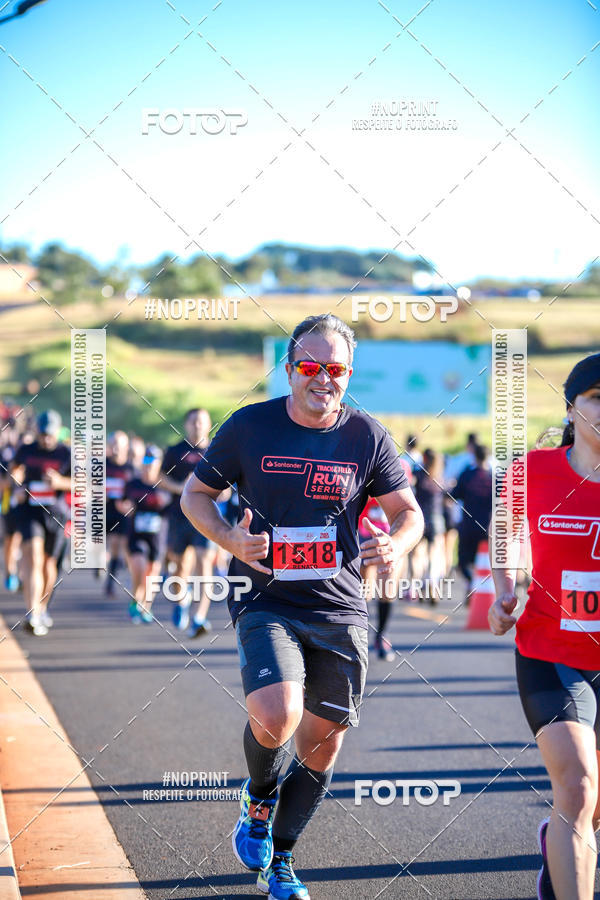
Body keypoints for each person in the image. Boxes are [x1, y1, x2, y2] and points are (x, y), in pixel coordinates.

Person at [181, 313, 424, 900]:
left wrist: (397, 544)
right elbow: (196, 495)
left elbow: (408, 513)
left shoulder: (367, 436)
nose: (323, 378)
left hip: (339, 606)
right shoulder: (250, 427)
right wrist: (230, 539)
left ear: (349, 374)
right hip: (265, 597)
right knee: (277, 713)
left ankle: (283, 860)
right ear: (289, 370)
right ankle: (259, 800)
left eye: (335, 368)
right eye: (310, 366)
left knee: (322, 743)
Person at [489, 352, 600, 900]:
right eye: (597, 399)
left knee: (592, 806)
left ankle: (558, 858)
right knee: (577, 786)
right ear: (572, 408)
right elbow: (504, 533)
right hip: (550, 650)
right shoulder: (531, 470)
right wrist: (504, 591)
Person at [10, 411, 71, 636]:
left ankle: (43, 607)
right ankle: (32, 613)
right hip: (31, 511)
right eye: (43, 434)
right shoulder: (26, 450)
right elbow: (13, 471)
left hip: (56, 514)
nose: (46, 439)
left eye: (50, 434)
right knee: (33, 557)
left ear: (57, 432)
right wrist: (16, 487)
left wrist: (60, 482)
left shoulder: (67, 453)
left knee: (48, 565)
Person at [161, 409, 217, 637]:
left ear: (209, 424)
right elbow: (160, 477)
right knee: (180, 565)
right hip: (179, 515)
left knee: (205, 562)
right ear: (186, 425)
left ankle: (199, 618)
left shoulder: (216, 450)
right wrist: (181, 489)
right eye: (193, 422)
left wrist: (222, 491)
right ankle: (182, 601)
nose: (197, 426)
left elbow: (227, 479)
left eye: (202, 422)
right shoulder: (175, 451)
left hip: (207, 516)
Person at [121, 445, 171, 624]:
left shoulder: (165, 485)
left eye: (153, 460)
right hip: (136, 534)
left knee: (153, 572)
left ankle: (146, 606)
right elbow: (122, 502)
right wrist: (125, 508)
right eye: (146, 460)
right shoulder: (133, 483)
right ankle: (136, 600)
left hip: (157, 536)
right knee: (139, 566)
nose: (149, 464)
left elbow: (174, 507)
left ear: (159, 463)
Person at [451, 443, 493, 598]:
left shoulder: (467, 474)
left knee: (463, 561)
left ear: (475, 457)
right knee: (485, 562)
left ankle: (472, 582)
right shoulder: (495, 477)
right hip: (487, 526)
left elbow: (454, 495)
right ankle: (476, 585)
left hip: (468, 525)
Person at [411, 448, 447, 603]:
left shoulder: (419, 475)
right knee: (434, 554)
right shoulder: (440, 477)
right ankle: (432, 584)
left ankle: (417, 584)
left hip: (420, 518)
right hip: (436, 517)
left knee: (417, 554)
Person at [104, 431, 133, 597]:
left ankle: (110, 582)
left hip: (122, 512)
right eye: (113, 444)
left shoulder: (131, 469)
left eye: (119, 445)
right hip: (102, 510)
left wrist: (130, 504)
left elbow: (136, 491)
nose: (116, 449)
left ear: (126, 447)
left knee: (117, 545)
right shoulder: (102, 465)